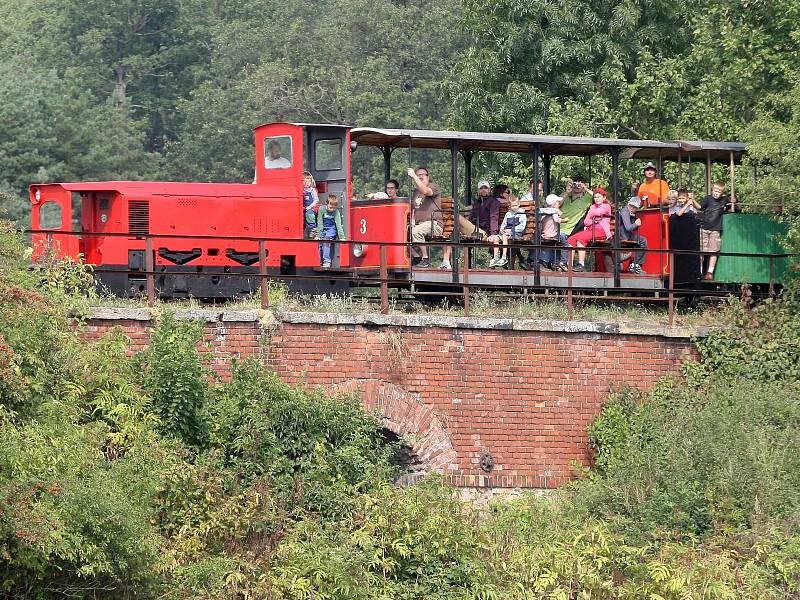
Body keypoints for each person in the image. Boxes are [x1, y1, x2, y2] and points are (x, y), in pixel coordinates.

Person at [567, 187, 612, 272]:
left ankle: (581, 264)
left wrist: (592, 215)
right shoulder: (592, 207)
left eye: (599, 197)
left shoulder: (606, 206)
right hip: (590, 230)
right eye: (595, 197)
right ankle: (569, 264)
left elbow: (598, 213)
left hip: (601, 231)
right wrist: (594, 219)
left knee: (581, 239)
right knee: (570, 239)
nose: (597, 199)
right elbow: (586, 222)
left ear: (604, 197)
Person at [408, 166, 444, 269]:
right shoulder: (416, 192)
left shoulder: (433, 186)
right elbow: (413, 208)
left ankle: (425, 259)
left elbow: (426, 191)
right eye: (418, 175)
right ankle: (417, 257)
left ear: (428, 177)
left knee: (415, 232)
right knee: (401, 233)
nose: (420, 176)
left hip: (434, 224)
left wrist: (414, 176)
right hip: (420, 224)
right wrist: (412, 220)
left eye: (422, 175)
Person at [700, 182, 734, 280]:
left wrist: (732, 200)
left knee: (714, 251)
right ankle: (700, 271)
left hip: (715, 229)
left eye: (719, 191)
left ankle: (710, 272)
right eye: (715, 190)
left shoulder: (724, 199)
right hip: (704, 227)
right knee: (701, 251)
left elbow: (733, 200)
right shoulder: (707, 198)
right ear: (712, 190)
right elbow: (700, 207)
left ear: (722, 193)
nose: (716, 193)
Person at [491, 194, 527, 268]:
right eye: (513, 206)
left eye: (516, 205)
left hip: (515, 233)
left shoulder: (521, 214)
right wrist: (502, 230)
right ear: (510, 206)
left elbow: (522, 227)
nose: (514, 207)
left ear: (519, 204)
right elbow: (504, 224)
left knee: (504, 237)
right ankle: (496, 257)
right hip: (506, 233)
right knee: (496, 238)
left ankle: (504, 257)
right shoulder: (508, 214)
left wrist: (511, 230)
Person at [538, 193, 571, 271]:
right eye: (557, 202)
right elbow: (557, 220)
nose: (559, 204)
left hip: (545, 233)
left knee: (558, 243)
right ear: (553, 204)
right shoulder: (554, 212)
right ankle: (563, 262)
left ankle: (555, 262)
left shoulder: (544, 211)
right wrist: (565, 220)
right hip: (553, 234)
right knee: (566, 244)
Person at [618, 196, 648, 274]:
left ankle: (635, 264)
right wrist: (636, 224)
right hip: (624, 236)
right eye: (631, 206)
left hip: (625, 235)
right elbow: (628, 228)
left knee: (642, 240)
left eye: (634, 207)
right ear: (628, 204)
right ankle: (635, 264)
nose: (632, 208)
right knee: (643, 241)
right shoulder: (625, 212)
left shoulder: (627, 212)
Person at [316, 194, 346, 268]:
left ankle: (327, 262)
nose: (332, 209)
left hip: (331, 229)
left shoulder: (336, 212)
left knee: (326, 241)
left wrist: (342, 237)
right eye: (330, 207)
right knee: (319, 244)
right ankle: (319, 261)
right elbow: (320, 223)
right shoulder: (321, 209)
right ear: (327, 204)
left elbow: (338, 225)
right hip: (323, 229)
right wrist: (318, 235)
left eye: (334, 208)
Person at [302, 171, 320, 236]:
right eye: (305, 181)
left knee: (309, 213)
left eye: (309, 182)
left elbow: (316, 200)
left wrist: (310, 206)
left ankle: (313, 229)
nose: (307, 183)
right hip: (304, 207)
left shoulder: (312, 190)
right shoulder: (301, 190)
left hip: (312, 207)